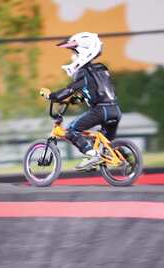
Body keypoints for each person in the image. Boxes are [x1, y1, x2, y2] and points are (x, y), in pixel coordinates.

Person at [39, 32, 122, 171]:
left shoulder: (84, 73)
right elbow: (97, 90)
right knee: (105, 143)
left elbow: (68, 90)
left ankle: (92, 156)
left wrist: (51, 96)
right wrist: (79, 99)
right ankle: (126, 157)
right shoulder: (101, 69)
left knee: (72, 130)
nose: (72, 57)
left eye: (74, 53)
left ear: (84, 52)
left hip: (100, 111)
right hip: (115, 110)